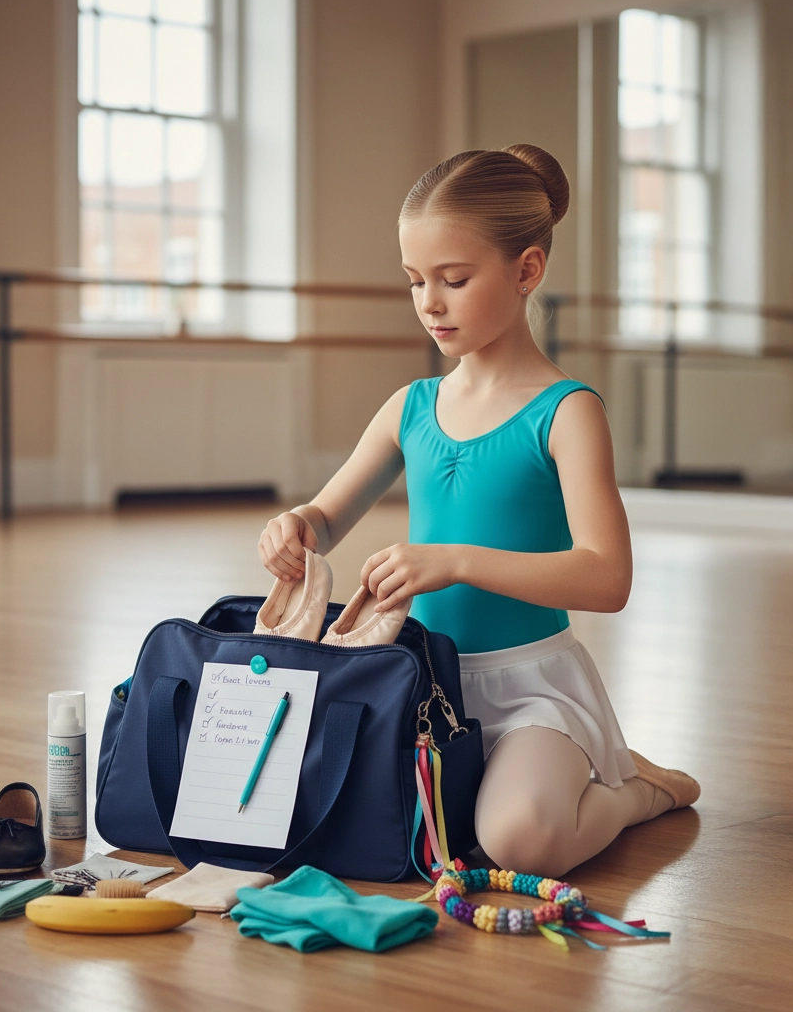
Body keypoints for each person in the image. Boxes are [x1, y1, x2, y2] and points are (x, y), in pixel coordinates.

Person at [257, 144, 700, 877]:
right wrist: (296, 527)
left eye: (454, 280)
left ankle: (631, 791)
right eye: (415, 281)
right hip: (418, 684)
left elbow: (607, 578)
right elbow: (326, 519)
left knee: (519, 842)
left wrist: (457, 561)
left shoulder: (567, 412)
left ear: (527, 270)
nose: (430, 303)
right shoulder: (411, 407)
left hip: (530, 690)